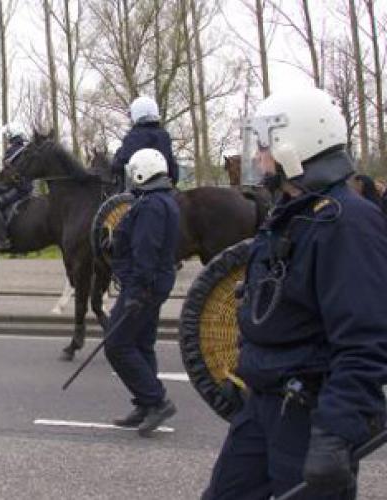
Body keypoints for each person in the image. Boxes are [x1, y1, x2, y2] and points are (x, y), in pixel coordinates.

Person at [202, 87, 387, 499]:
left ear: (295, 146)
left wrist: (334, 435)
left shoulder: (347, 224)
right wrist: (250, 370)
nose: (257, 157)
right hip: (263, 405)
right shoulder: (292, 215)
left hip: (310, 415)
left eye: (264, 147)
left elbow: (365, 342)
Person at [105, 148, 179, 437]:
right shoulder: (162, 200)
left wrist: (136, 292)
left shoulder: (150, 206)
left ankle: (156, 401)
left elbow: (145, 250)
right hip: (153, 283)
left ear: (140, 173)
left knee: (117, 344)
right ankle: (145, 404)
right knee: (142, 343)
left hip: (144, 285)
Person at [111, 96, 179, 192]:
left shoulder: (133, 137)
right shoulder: (164, 135)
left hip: (138, 191)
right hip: (165, 188)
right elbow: (172, 167)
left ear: (136, 114)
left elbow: (119, 165)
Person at [0, 122, 33, 251]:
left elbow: (9, 178)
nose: (7, 138)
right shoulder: (24, 150)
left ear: (12, 135)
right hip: (25, 187)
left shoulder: (13, 152)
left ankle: (3, 241)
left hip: (18, 189)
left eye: (7, 136)